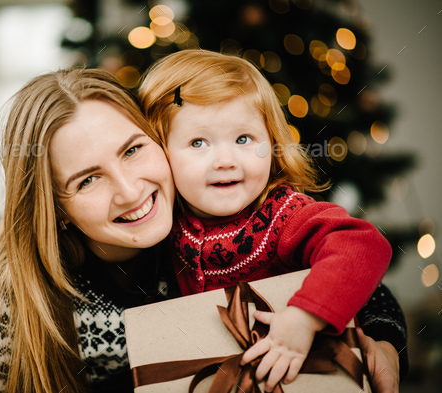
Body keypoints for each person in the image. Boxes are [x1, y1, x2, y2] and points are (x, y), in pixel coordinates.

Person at [0, 68, 406, 393]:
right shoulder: (22, 297)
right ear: (56, 208)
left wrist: (383, 341)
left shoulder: (204, 210)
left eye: (132, 150)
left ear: (160, 141)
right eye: (87, 179)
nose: (129, 192)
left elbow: (349, 262)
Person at [139, 49, 396, 391]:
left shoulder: (284, 214)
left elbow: (363, 246)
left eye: (244, 139)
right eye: (198, 142)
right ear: (161, 153)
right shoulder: (165, 226)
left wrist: (304, 317)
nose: (226, 160)